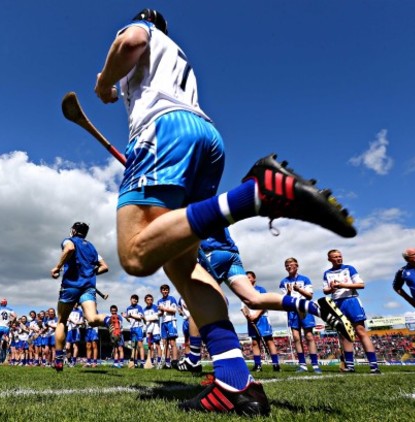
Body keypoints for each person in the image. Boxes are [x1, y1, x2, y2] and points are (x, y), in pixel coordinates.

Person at [94, 8, 356, 415]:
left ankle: (254, 195)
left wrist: (104, 81)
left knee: (135, 255)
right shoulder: (176, 58)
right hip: (205, 137)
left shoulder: (144, 32)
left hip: (164, 131)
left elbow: (129, 43)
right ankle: (235, 384)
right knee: (183, 267)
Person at [177, 228, 354, 373]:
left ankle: (193, 358)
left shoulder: (193, 203)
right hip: (232, 254)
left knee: (196, 301)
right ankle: (315, 307)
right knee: (254, 298)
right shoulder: (208, 202)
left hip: (213, 253)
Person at [50, 221, 109, 371]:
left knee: (62, 321)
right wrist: (90, 272)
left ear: (74, 230)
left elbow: (69, 249)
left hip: (71, 286)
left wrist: (57, 267)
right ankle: (108, 320)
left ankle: (58, 360)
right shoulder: (91, 247)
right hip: (88, 287)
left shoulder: (69, 240)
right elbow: (104, 267)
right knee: (92, 319)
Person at [323, 249, 380, 374]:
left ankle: (374, 366)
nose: (339, 258)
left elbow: (361, 285)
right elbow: (325, 290)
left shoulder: (349, 269)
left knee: (360, 331)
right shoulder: (327, 273)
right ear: (329, 259)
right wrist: (332, 288)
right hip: (337, 303)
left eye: (340, 256)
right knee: (345, 334)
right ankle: (349, 366)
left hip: (351, 301)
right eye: (335, 257)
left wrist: (343, 285)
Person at [280, 257, 322, 374]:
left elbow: (309, 296)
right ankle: (302, 365)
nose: (289, 267)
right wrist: (288, 292)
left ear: (297, 266)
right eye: (287, 265)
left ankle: (315, 365)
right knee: (296, 338)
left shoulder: (305, 279)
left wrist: (299, 290)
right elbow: (284, 299)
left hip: (304, 308)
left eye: (291, 265)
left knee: (309, 336)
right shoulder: (283, 281)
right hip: (292, 310)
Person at [243, 271, 280, 372]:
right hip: (251, 320)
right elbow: (243, 308)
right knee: (255, 342)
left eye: (249, 277)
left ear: (254, 279)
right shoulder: (243, 292)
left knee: (269, 340)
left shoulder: (261, 289)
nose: (247, 280)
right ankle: (258, 365)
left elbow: (265, 304)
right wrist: (248, 317)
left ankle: (276, 364)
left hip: (262, 318)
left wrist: (256, 315)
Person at [157, 284, 179, 368]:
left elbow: (174, 310)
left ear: (168, 291)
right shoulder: (159, 301)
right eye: (163, 290)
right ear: (161, 291)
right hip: (163, 323)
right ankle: (167, 363)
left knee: (172, 342)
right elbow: (160, 313)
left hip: (171, 321)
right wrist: (159, 313)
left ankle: (175, 362)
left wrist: (164, 309)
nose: (165, 291)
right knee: (165, 343)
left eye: (166, 290)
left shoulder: (172, 298)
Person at [122, 294, 146, 368]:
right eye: (133, 299)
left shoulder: (139, 307)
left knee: (140, 345)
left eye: (136, 299)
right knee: (133, 346)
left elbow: (139, 318)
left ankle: (142, 362)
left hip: (138, 327)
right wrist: (125, 317)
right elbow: (130, 320)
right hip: (132, 329)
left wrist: (130, 315)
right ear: (130, 299)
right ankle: (135, 362)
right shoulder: (128, 308)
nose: (134, 300)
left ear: (137, 301)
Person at [0, 298, 16, 364]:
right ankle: (6, 355)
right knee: (6, 341)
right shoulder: (10, 309)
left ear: (0, 303)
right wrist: (11, 322)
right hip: (6, 327)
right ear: (6, 304)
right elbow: (15, 316)